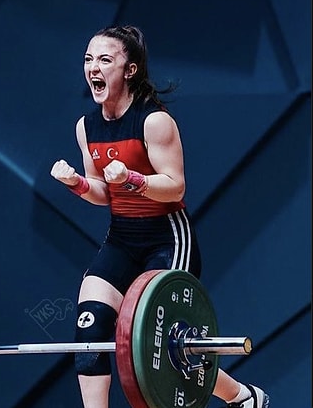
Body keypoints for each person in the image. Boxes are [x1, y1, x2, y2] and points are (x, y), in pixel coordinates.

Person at [50, 25, 269, 408]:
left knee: (162, 343)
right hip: (122, 239)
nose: (93, 68)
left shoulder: (154, 122)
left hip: (168, 239)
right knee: (89, 330)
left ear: (130, 69)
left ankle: (243, 396)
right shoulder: (87, 127)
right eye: (88, 59)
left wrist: (132, 179)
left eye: (105, 60)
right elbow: (103, 193)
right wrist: (77, 184)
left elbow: (175, 186)